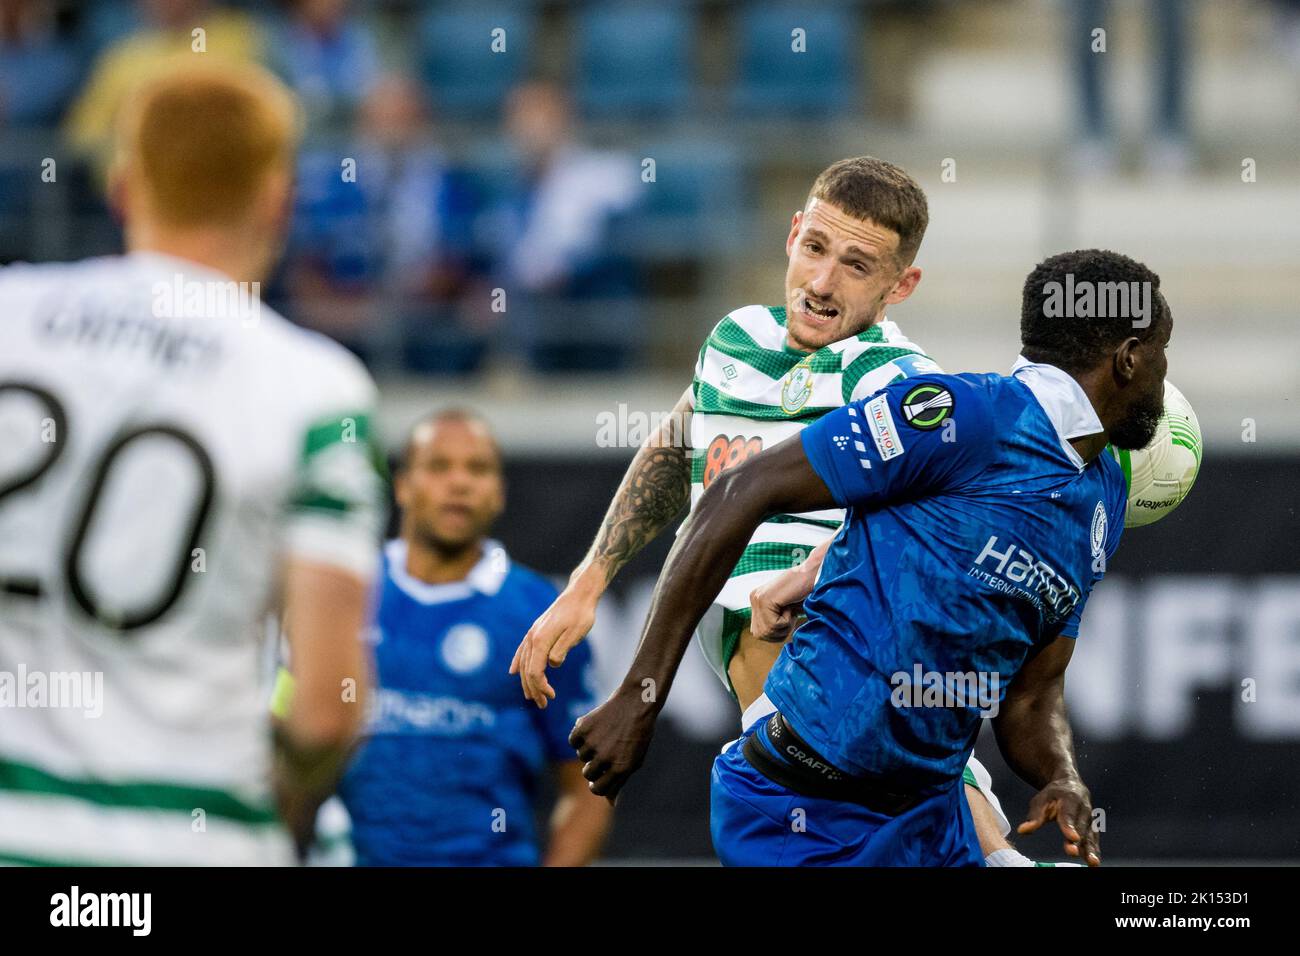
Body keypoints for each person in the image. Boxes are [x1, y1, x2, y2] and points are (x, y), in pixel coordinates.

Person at [570, 248, 1170, 866]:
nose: (1163, 375)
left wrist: (1061, 774)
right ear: (1128, 358)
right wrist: (642, 693)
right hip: (799, 810)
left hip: (929, 818)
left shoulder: (1102, 497)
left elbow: (1032, 697)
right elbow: (736, 490)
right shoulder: (961, 414)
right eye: (1160, 355)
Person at [513, 156, 1033, 863]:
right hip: (773, 692)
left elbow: (942, 523)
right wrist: (589, 580)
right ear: (792, 236)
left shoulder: (902, 383)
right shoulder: (735, 341)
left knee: (944, 829)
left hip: (830, 677)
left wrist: (813, 572)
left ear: (900, 285)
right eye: (816, 248)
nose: (821, 283)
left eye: (856, 265)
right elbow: (676, 448)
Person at [0, 62, 386, 864]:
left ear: (122, 184)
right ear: (276, 199)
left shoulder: (12, 316)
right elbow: (324, 710)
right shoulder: (313, 390)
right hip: (188, 835)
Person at [334, 410, 612, 866]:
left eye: (478, 469)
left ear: (499, 492)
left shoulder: (539, 612)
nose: (459, 483)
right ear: (403, 485)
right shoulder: (348, 593)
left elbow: (586, 788)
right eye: (439, 467)